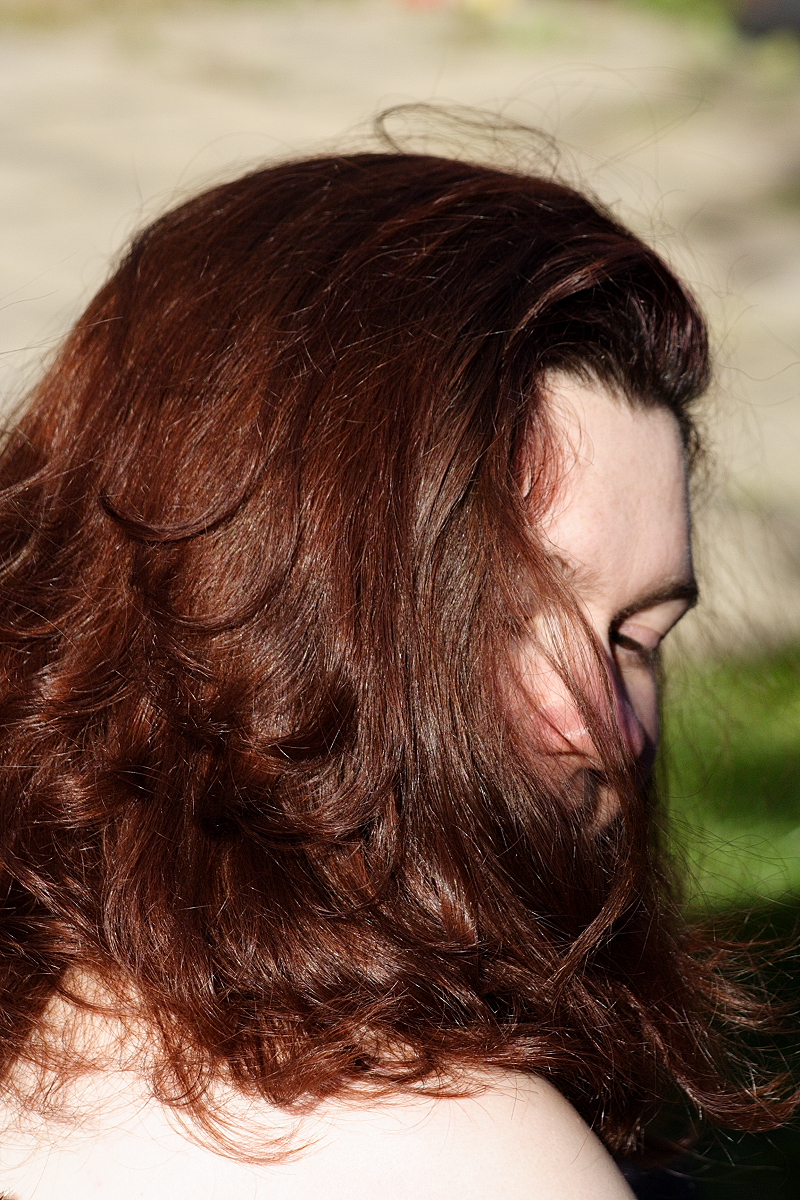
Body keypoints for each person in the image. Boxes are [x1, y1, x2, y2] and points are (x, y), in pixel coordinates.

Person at [0, 136, 794, 1199]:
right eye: (501, 616)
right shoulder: (451, 1151)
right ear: (243, 597)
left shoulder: (62, 1024)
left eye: (637, 638)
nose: (603, 725)